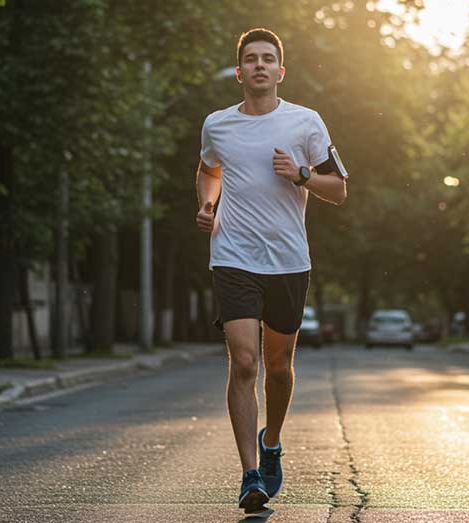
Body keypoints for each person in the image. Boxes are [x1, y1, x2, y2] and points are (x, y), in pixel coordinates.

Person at [194, 27, 348, 513]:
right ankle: (249, 475)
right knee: (244, 362)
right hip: (233, 256)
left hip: (287, 261)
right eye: (250, 59)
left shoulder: (306, 123)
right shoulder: (217, 125)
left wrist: (301, 174)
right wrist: (207, 204)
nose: (259, 65)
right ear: (239, 72)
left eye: (268, 59)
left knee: (278, 368)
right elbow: (208, 169)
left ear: (281, 71)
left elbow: (339, 189)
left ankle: (273, 440)